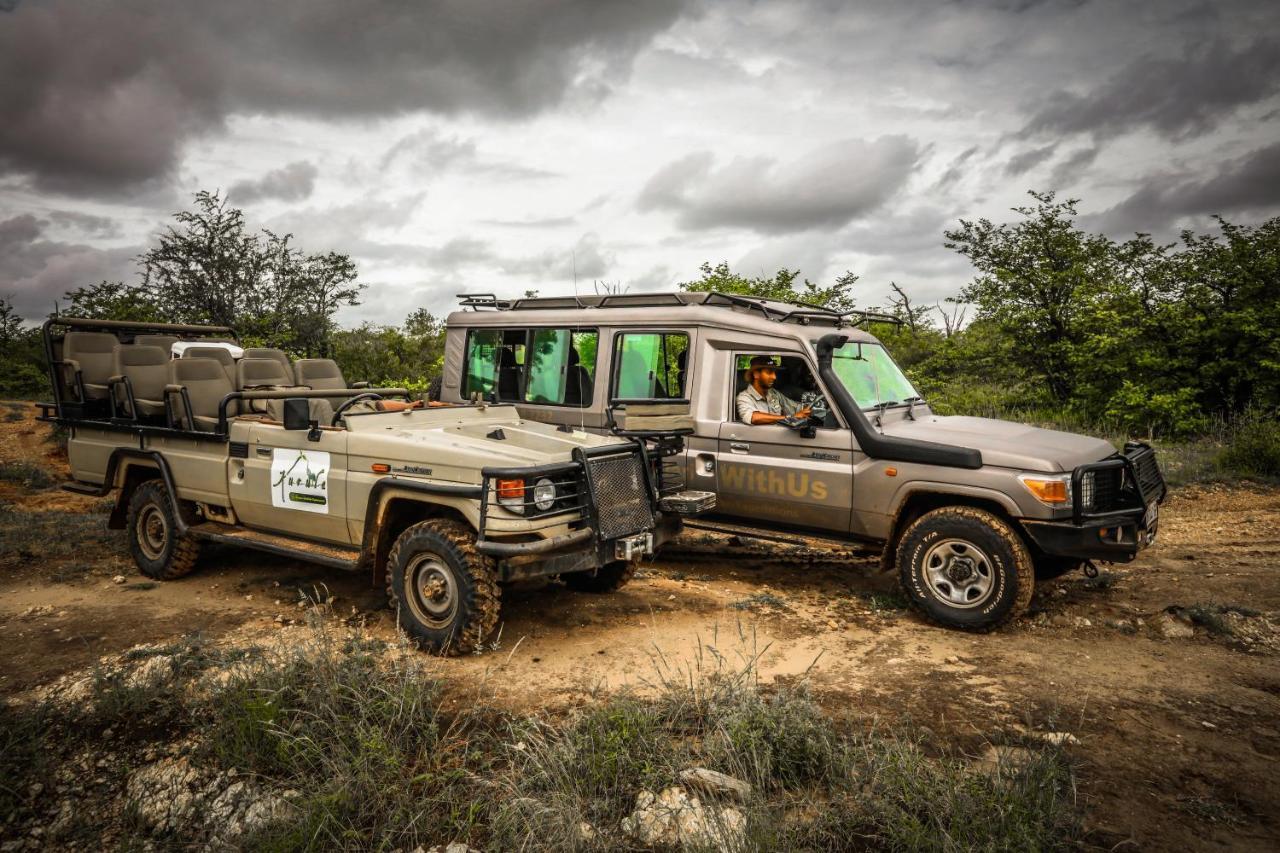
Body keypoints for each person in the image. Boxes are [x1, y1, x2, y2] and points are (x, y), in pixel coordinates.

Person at [735, 356, 812, 425]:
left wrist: (810, 407)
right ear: (756, 374)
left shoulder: (773, 393)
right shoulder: (744, 397)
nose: (774, 377)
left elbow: (794, 407)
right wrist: (789, 418)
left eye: (774, 372)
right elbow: (753, 417)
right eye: (769, 372)